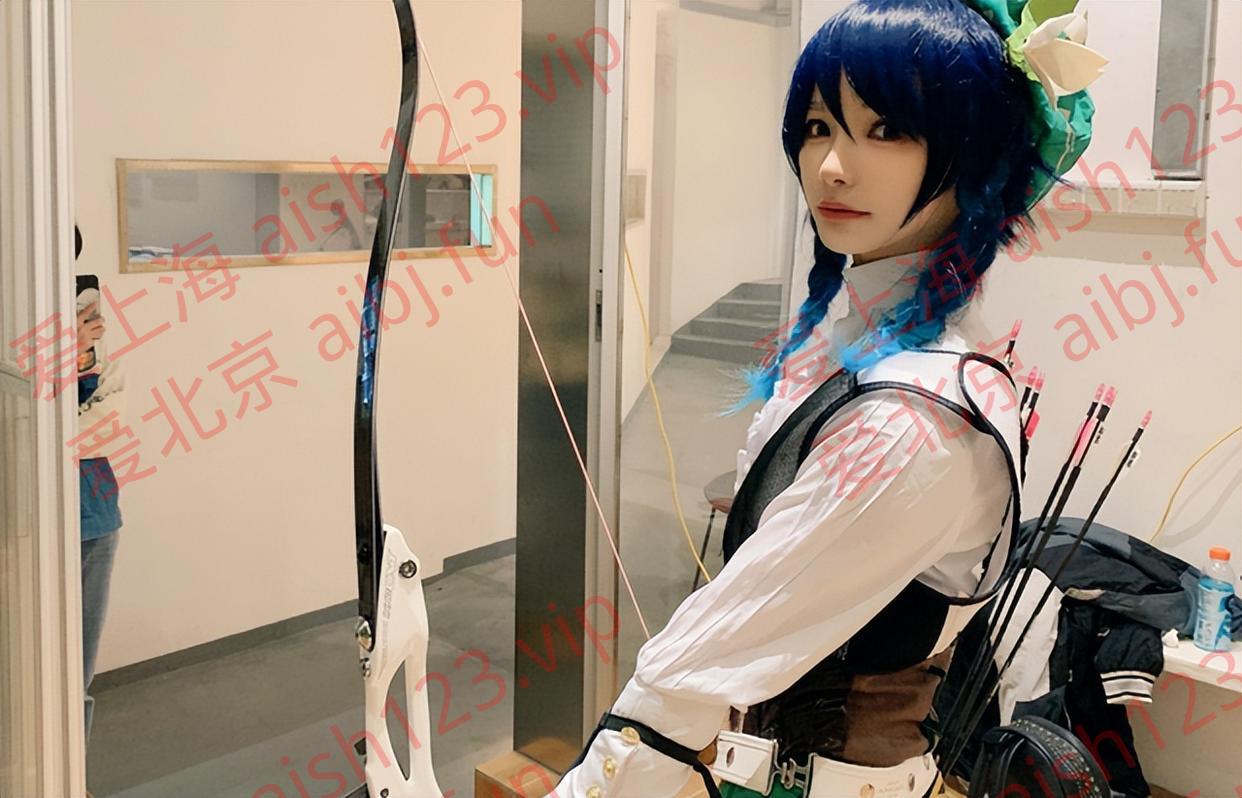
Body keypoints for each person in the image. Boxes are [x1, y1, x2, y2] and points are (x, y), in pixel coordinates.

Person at [553, 0, 1100, 796]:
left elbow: (687, 680)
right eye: (818, 126)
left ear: (978, 154)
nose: (833, 166)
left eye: (887, 130)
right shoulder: (867, 342)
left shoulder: (914, 416)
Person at [75, 226, 126, 765]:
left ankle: (70, 777)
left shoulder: (91, 326)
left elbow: (111, 424)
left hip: (94, 513)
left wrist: (80, 357)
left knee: (78, 670)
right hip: (28, 520)